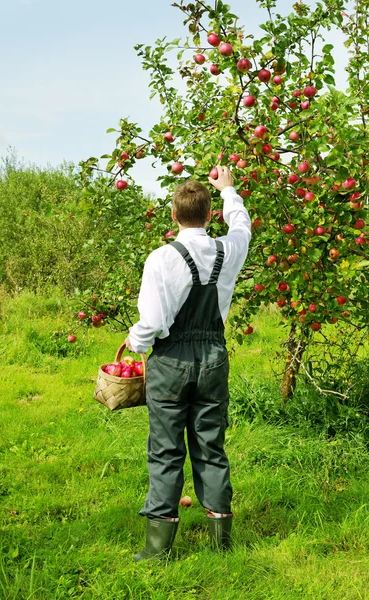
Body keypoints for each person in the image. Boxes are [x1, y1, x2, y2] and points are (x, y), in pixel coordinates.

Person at [125, 165, 251, 561]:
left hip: (171, 361)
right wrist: (229, 190)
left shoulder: (162, 258)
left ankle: (157, 550)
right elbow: (242, 227)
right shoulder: (228, 250)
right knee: (211, 446)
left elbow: (152, 322)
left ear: (174, 216)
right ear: (209, 215)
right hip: (214, 357)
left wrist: (135, 341)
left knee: (165, 450)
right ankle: (222, 544)